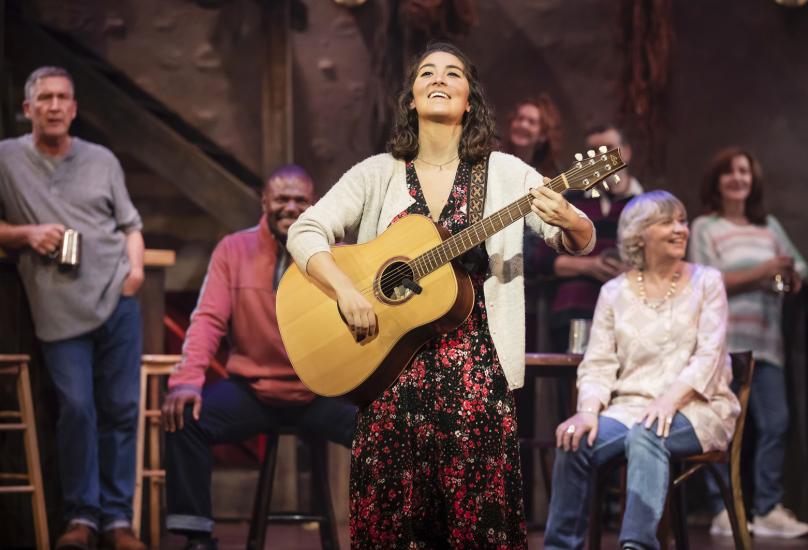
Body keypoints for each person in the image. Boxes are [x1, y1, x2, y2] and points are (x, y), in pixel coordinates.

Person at [287, 41, 595, 549]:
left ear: (469, 100)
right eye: (427, 72)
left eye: (453, 74)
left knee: (479, 527)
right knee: (393, 526)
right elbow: (305, 231)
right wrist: (345, 291)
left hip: (475, 375)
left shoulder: (505, 173)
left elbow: (574, 238)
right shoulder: (377, 172)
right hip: (389, 375)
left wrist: (573, 219)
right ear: (410, 98)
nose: (439, 78)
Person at [161, 165, 357, 550]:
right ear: (264, 201)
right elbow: (207, 320)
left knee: (390, 429)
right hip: (254, 390)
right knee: (184, 417)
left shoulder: (337, 254)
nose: (291, 207)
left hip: (320, 391)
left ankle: (397, 535)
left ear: (313, 204)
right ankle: (197, 539)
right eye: (281, 198)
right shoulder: (233, 249)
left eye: (300, 200)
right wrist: (186, 381)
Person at [0, 67, 146, 550]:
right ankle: (81, 517)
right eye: (45, 98)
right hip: (59, 309)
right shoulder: (6, 159)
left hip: (116, 298)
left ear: (75, 108)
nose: (55, 105)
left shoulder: (101, 159)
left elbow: (130, 224)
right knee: (78, 410)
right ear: (28, 110)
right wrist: (25, 234)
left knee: (122, 410)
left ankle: (118, 520)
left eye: (64, 97)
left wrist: (136, 273)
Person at [544, 190, 740, 550]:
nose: (681, 229)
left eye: (682, 221)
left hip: (697, 407)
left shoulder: (707, 282)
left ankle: (637, 545)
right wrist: (587, 413)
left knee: (647, 434)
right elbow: (599, 362)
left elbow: (709, 357)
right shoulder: (613, 292)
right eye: (668, 222)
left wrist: (668, 401)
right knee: (574, 440)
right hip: (630, 408)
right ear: (638, 235)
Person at [689, 147, 808, 539]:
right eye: (728, 172)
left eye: (743, 171)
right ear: (717, 182)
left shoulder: (769, 226)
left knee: (776, 423)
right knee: (722, 425)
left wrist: (791, 278)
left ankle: (767, 507)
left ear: (753, 180)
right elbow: (707, 279)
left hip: (767, 342)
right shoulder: (706, 226)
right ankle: (725, 508)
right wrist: (764, 269)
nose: (737, 178)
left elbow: (797, 266)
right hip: (723, 344)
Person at [528, 124, 642, 354]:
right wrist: (590, 266)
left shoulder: (647, 203)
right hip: (574, 314)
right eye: (594, 150)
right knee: (573, 386)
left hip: (632, 316)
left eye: (608, 148)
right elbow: (540, 259)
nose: (601, 157)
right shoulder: (570, 200)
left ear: (626, 152)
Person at [501, 93, 563, 176]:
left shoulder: (549, 174)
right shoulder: (492, 155)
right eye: (519, 118)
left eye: (532, 122)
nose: (523, 125)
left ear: (543, 134)